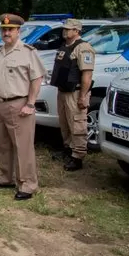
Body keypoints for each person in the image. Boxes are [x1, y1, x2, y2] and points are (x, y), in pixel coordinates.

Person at [0, 14, 46, 200]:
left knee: (23, 146)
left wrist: (30, 103)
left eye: (10, 29)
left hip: (19, 104)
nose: (6, 33)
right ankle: (5, 178)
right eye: (4, 30)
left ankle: (27, 184)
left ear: (18, 31)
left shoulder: (28, 52)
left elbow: (37, 78)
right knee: (3, 145)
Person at [50, 18, 95, 171]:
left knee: (77, 124)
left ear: (77, 31)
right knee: (65, 124)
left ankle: (78, 156)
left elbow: (87, 75)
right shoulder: (65, 46)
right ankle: (68, 149)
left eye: (68, 29)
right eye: (64, 28)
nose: (65, 31)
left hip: (75, 93)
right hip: (63, 91)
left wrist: (83, 96)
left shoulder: (83, 48)